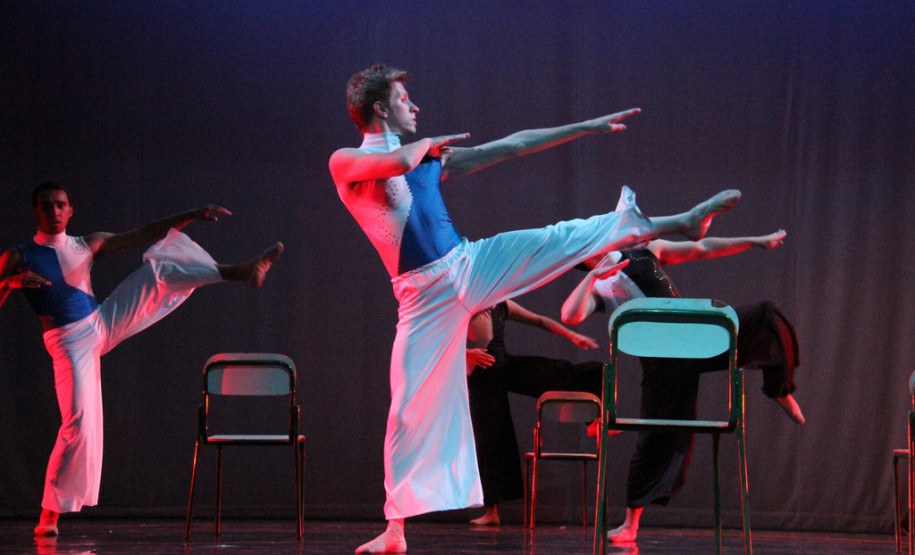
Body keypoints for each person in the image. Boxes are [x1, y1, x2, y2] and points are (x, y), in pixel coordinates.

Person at [328, 63, 741, 554]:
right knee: (407, 407)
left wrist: (582, 128)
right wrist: (427, 147)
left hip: (466, 263)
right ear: (379, 108)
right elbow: (393, 166)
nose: (413, 106)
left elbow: (512, 145)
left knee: (557, 238)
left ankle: (675, 223)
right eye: (402, 99)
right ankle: (394, 530)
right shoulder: (347, 160)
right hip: (420, 295)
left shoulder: (427, 157)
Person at [0, 182, 284, 537]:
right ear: (36, 212)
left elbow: (144, 234)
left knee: (160, 272)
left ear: (70, 210)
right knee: (79, 424)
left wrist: (191, 216)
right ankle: (49, 515)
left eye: (60, 206)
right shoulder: (18, 256)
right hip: (67, 341)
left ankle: (239, 271)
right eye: (47, 207)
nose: (54, 212)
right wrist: (10, 283)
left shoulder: (87, 244)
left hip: (101, 322)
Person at [560, 229, 804, 543]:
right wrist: (593, 275)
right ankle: (630, 525)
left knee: (766, 315)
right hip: (663, 360)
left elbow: (702, 247)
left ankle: (779, 389)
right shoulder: (599, 288)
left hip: (696, 338)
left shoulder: (646, 250)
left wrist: (753, 241)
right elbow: (570, 314)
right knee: (655, 439)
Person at [465, 299, 603, 526]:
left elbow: (540, 321)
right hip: (483, 381)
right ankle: (491, 511)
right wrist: (468, 354)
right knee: (491, 443)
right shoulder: (465, 307)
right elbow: (438, 339)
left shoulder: (502, 305)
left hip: (505, 367)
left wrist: (572, 336)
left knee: (555, 372)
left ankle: (595, 417)